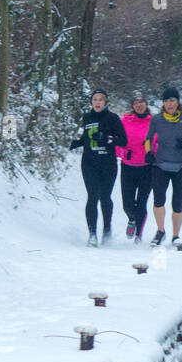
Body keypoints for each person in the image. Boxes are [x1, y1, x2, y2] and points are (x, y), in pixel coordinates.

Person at [68, 89, 127, 246]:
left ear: (106, 102)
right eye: (95, 99)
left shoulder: (113, 118)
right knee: (92, 196)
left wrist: (107, 139)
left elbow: (123, 140)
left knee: (105, 197)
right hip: (89, 163)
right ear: (91, 102)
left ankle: (107, 229)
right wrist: (76, 143)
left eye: (101, 99)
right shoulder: (86, 118)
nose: (98, 102)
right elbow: (85, 137)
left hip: (108, 163)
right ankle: (92, 234)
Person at [143, 86, 182, 246]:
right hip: (160, 165)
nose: (169, 104)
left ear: (177, 102)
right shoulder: (157, 119)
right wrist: (148, 153)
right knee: (158, 200)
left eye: (172, 100)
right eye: (166, 101)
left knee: (177, 202)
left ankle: (176, 236)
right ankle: (160, 231)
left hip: (181, 166)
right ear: (163, 103)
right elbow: (148, 139)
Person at [116, 92, 154, 243]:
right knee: (128, 204)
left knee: (142, 202)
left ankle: (139, 234)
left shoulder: (153, 122)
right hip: (128, 167)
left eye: (142, 102)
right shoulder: (124, 122)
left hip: (147, 168)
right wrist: (123, 152)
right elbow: (118, 143)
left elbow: (158, 142)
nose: (139, 105)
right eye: (136, 103)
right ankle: (132, 219)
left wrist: (153, 153)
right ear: (132, 106)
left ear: (146, 104)